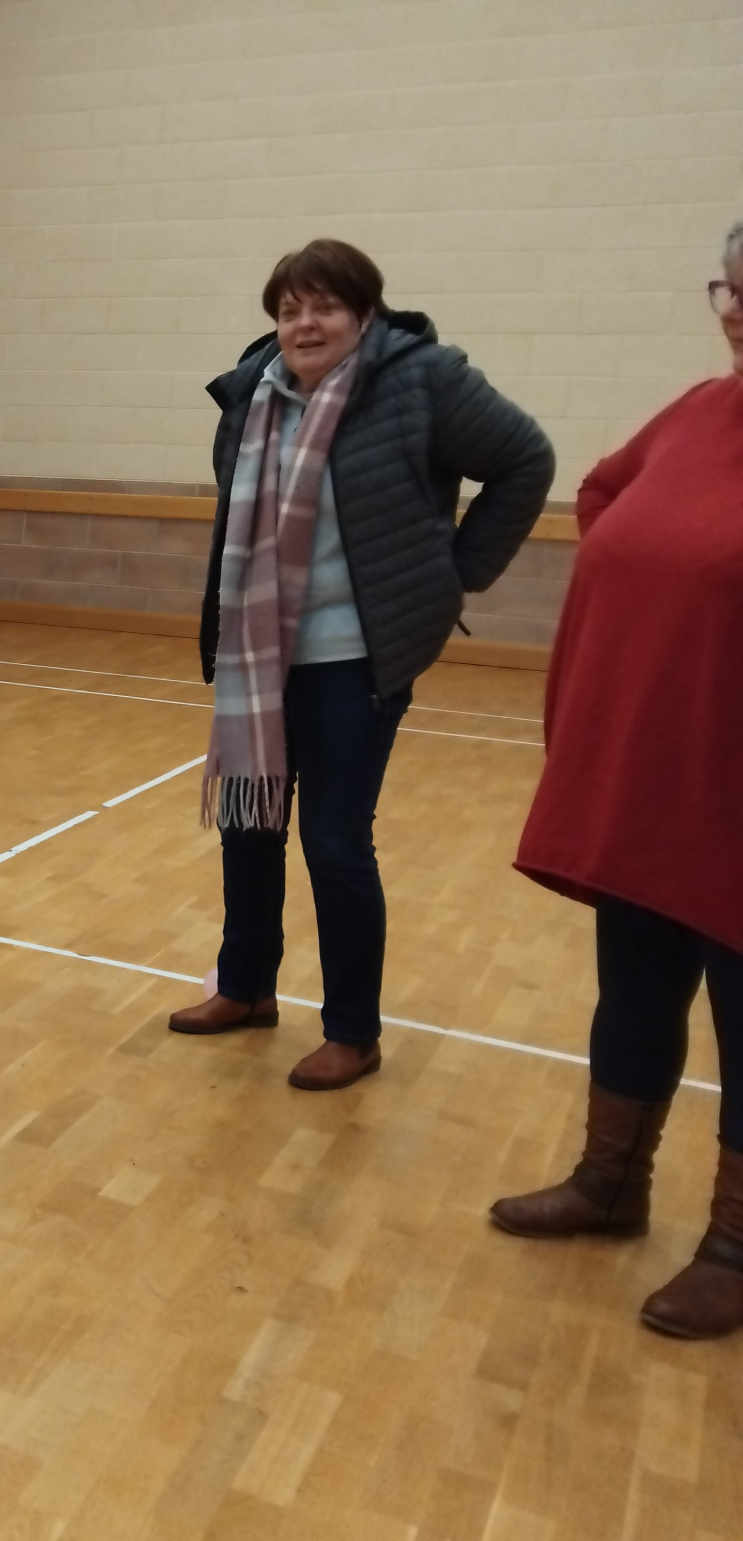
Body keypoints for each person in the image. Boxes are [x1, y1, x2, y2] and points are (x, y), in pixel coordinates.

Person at [168, 239, 554, 1088]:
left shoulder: (420, 380)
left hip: (355, 659)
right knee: (247, 823)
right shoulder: (252, 388)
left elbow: (525, 460)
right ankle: (244, 986)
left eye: (325, 306)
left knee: (335, 839)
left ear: (364, 313)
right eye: (288, 309)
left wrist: (454, 575)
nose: (304, 324)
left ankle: (351, 1031)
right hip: (260, 656)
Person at [490, 226, 743, 1341]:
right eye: (730, 287)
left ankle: (735, 1246)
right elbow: (602, 491)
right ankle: (609, 1182)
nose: (734, 310)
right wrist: (652, 585)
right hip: (655, 773)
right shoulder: (699, 410)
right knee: (634, 987)